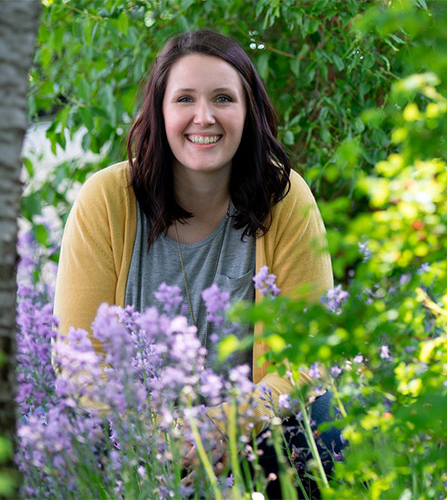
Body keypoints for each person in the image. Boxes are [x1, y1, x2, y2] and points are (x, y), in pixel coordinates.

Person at [53, 29, 339, 492]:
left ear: (249, 113)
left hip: (248, 426)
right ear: (159, 113)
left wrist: (227, 423)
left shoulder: (284, 198)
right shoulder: (105, 201)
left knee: (321, 426)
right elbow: (79, 360)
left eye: (223, 98)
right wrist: (163, 431)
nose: (203, 117)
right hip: (134, 428)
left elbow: (308, 358)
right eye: (184, 98)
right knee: (63, 433)